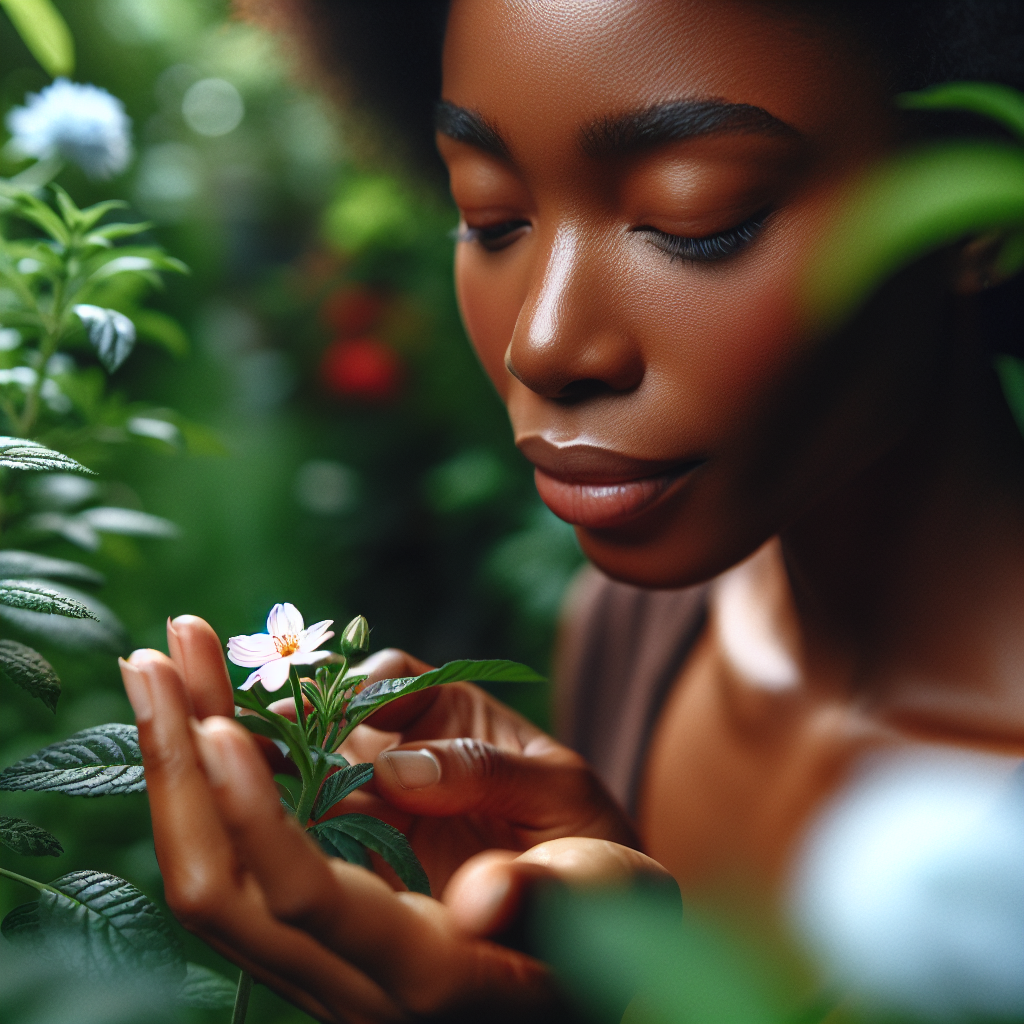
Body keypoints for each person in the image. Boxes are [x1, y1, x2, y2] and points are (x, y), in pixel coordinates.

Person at [118, 1, 1024, 1020]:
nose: (542, 344)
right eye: (491, 215)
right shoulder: (637, 632)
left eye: (694, 214)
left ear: (974, 198)